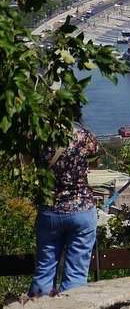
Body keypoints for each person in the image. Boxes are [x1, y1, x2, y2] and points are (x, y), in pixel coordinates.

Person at [29, 115, 100, 296]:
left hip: (50, 208)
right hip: (82, 207)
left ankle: (38, 307)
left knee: (44, 269)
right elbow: (95, 159)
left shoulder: (39, 136)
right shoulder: (84, 136)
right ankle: (72, 306)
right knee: (76, 272)